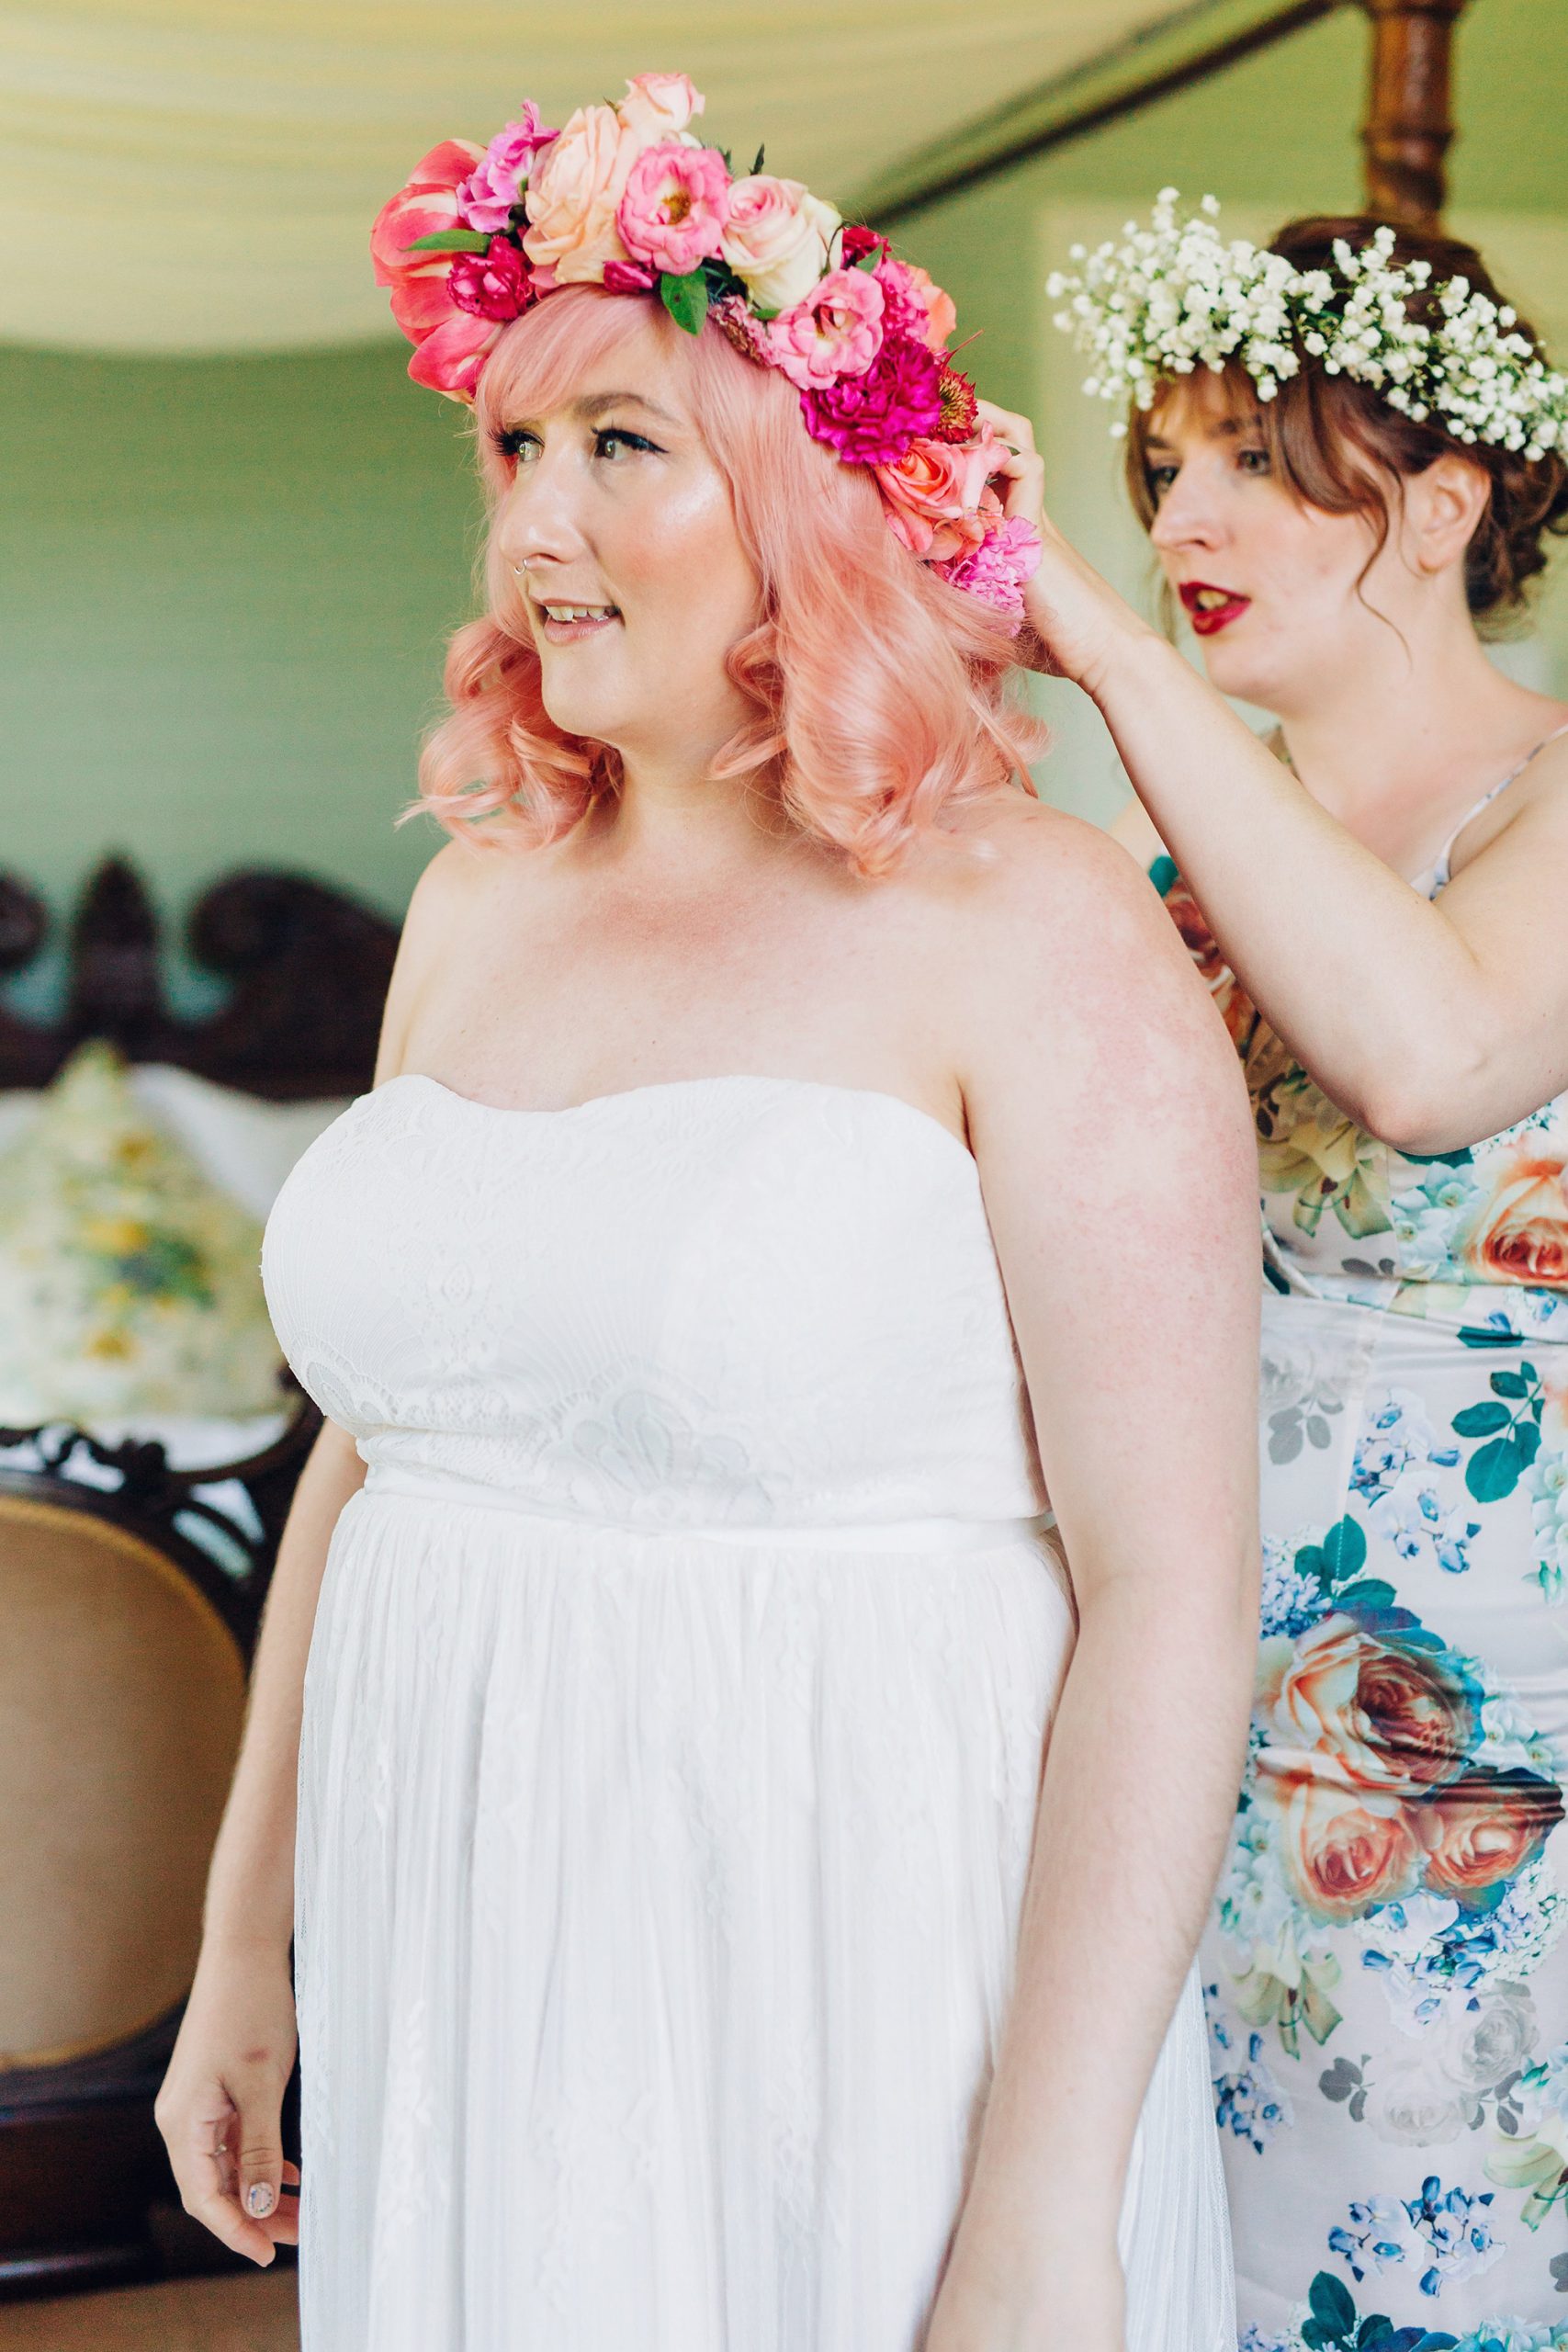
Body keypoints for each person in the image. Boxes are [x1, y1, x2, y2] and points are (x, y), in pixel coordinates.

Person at [153, 79, 1258, 2352]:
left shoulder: (1028, 923)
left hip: (858, 1971)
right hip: (460, 1949)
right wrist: (244, 1935)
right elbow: (372, 1446)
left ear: (800, 497)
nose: (535, 526)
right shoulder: (478, 897)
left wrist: (1042, 2204)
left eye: (621, 448)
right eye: (511, 455)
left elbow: (1170, 1583)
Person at [993, 197, 1568, 2345]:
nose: (1181, 516)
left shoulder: (1552, 800)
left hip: (1490, 1782)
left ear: (1436, 503)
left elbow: (1425, 1058)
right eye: (1160, 468)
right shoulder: (1181, 884)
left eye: (1250, 456)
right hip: (1184, 1752)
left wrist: (1118, 665)